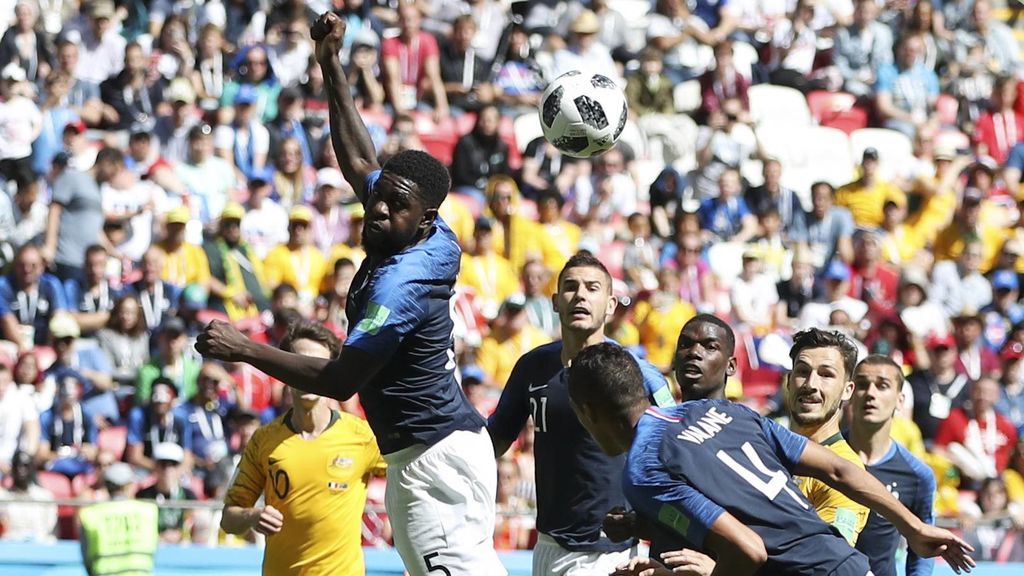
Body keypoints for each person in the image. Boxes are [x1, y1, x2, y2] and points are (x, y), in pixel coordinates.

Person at [197, 11, 504, 576]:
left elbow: (340, 381)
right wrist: (331, 61)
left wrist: (243, 349)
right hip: (431, 451)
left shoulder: (402, 281)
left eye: (394, 205)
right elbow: (361, 160)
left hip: (433, 456)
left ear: (424, 217)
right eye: (378, 198)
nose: (379, 208)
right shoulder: (417, 222)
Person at [567, 343, 975, 576]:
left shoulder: (643, 471)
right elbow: (841, 468)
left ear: (587, 412)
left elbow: (750, 551)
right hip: (850, 567)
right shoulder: (726, 411)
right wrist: (915, 527)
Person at [488, 252, 675, 576]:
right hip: (548, 547)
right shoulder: (532, 367)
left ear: (611, 304)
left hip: (611, 552)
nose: (581, 295)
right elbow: (494, 441)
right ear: (556, 301)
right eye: (571, 287)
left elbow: (676, 446)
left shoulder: (639, 373)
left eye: (592, 287)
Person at [222, 321, 385, 575]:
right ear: (286, 371)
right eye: (300, 365)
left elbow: (412, 477)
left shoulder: (362, 436)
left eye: (318, 367)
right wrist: (253, 517)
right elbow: (229, 519)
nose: (309, 375)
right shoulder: (264, 439)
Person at [847, 355, 936, 576]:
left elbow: (922, 545)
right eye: (862, 385)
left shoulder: (916, 475)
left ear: (900, 399)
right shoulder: (820, 458)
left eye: (882, 386)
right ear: (849, 393)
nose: (870, 393)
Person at [78, 462, 159, 576]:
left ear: (106, 486)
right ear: (128, 486)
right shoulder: (148, 511)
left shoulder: (92, 514)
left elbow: (85, 555)